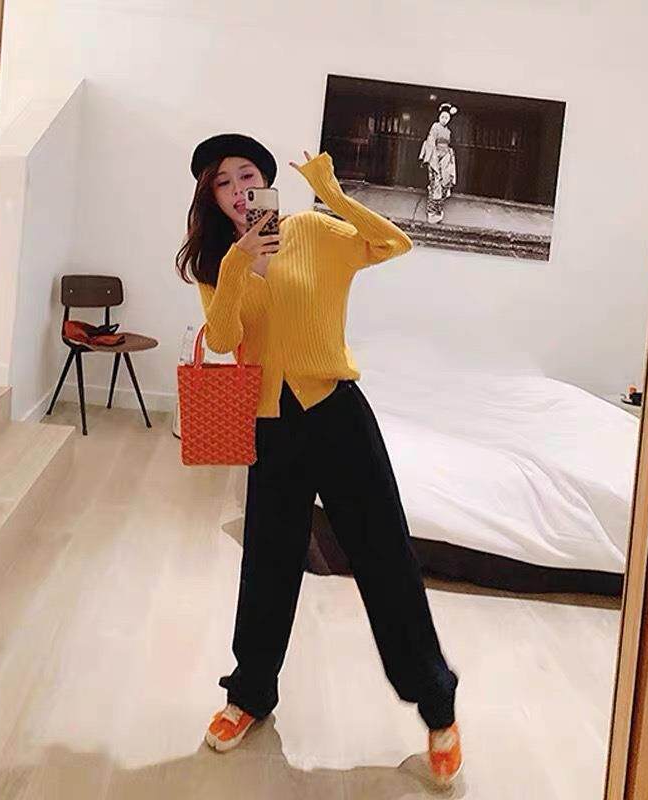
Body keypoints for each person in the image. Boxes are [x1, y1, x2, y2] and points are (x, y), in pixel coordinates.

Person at [176, 133, 462, 786]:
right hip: (270, 425)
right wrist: (240, 264)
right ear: (210, 197)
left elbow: (393, 243)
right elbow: (222, 339)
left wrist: (331, 193)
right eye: (223, 182)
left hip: (338, 414)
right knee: (268, 563)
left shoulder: (311, 230)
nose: (239, 189)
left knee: (386, 559)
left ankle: (439, 709)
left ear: (266, 181)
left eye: (247, 175)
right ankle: (250, 694)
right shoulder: (216, 261)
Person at [419, 103, 458, 224]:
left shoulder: (448, 131)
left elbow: (448, 145)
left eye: (447, 118)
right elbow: (430, 142)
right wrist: (434, 158)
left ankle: (439, 210)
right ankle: (431, 212)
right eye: (442, 117)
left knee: (444, 184)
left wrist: (449, 156)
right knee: (435, 184)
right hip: (435, 157)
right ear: (439, 117)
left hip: (445, 158)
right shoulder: (435, 127)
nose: (444, 120)